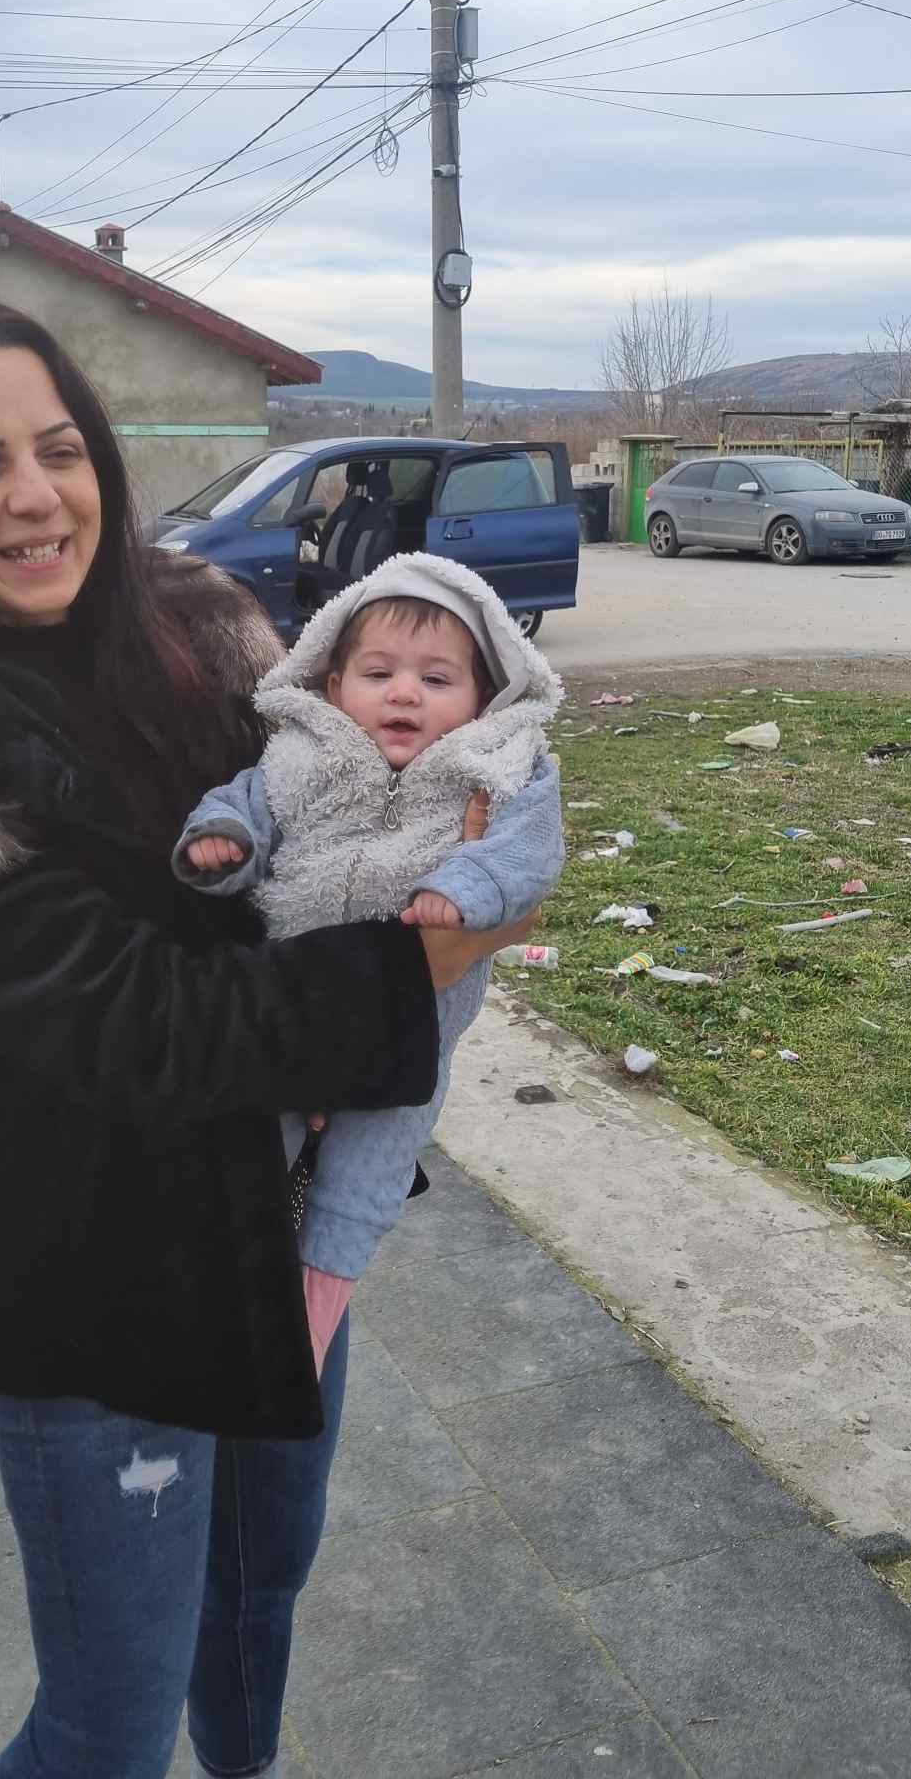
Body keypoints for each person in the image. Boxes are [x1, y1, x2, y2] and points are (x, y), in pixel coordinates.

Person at [0, 295, 538, 1779]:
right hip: (99, 1292)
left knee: (255, 1605)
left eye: (60, 450)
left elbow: (344, 811)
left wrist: (482, 824)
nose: (35, 495)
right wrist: (419, 965)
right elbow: (144, 1026)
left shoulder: (188, 634)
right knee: (107, 1727)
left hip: (271, 1234)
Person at [173, 555, 565, 1371]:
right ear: (332, 682)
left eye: (437, 679)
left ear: (485, 695)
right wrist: (226, 842)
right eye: (378, 674)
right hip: (290, 1012)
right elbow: (243, 805)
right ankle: (225, 1293)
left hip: (411, 1030)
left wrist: (465, 886)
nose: (404, 694)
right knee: (251, 1150)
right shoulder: (300, 755)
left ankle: (312, 1325)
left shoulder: (498, 766)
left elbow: (529, 851)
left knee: (366, 1173)